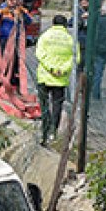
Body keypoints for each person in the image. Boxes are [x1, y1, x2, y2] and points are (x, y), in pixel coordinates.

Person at [34, 15, 76, 145]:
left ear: (53, 24)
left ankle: (44, 130)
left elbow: (39, 54)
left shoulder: (45, 36)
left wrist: (51, 68)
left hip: (45, 77)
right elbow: (75, 58)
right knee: (57, 105)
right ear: (65, 25)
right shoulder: (71, 40)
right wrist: (61, 70)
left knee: (45, 105)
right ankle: (53, 131)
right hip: (60, 79)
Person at [0, 0, 33, 88]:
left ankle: (15, 79)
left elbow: (29, 22)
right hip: (5, 38)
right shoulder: (3, 10)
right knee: (5, 58)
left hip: (17, 38)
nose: (12, 1)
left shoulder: (21, 10)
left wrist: (23, 13)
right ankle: (4, 78)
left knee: (17, 59)